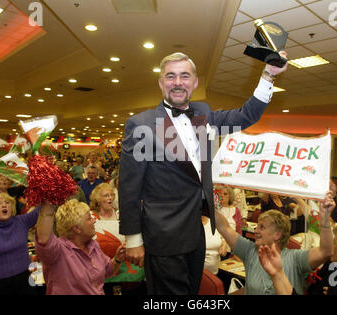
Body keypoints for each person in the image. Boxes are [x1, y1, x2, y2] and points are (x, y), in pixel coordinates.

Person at [118, 51, 288, 294]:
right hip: (162, 236)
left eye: (184, 76)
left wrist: (268, 76)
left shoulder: (203, 114)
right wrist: (133, 239)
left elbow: (245, 115)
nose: (178, 82)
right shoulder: (141, 124)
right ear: (160, 83)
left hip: (197, 232)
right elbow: (128, 187)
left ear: (195, 83)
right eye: (171, 76)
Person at [215, 190, 335, 295]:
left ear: (278, 234)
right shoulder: (250, 251)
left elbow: (326, 251)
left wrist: (324, 218)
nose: (255, 231)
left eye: (261, 227)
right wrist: (208, 201)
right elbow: (224, 227)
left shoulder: (295, 259)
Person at [35, 199, 125, 295]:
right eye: (89, 218)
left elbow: (107, 270)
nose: (94, 220)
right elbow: (43, 240)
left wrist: (117, 259)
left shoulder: (93, 245)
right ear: (77, 228)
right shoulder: (58, 251)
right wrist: (47, 206)